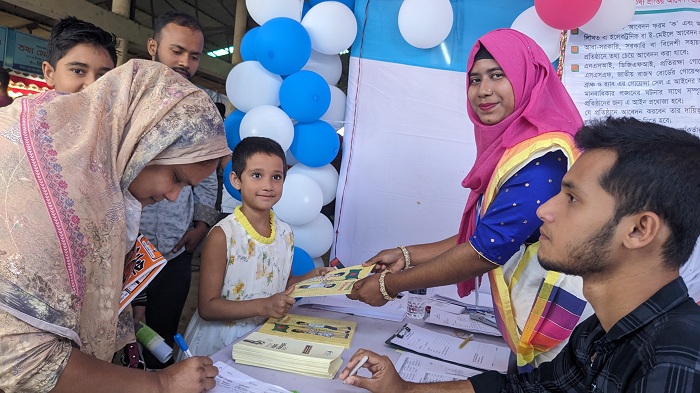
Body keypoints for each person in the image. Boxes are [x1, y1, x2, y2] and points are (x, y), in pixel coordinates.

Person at [340, 117, 700, 392]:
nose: (544, 210)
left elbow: (484, 249)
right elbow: (523, 388)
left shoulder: (675, 363)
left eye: (572, 199)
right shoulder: (600, 332)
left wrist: (392, 284)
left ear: (639, 230)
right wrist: (403, 388)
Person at [348, 28, 588, 367]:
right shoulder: (517, 146)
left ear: (526, 78)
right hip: (539, 327)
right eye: (475, 80)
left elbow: (485, 251)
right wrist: (407, 254)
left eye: (497, 75)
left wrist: (390, 285)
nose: (483, 90)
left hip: (562, 340)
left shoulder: (542, 157)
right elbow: (486, 235)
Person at [0, 59, 230, 392]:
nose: (172, 196)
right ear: (144, 141)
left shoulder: (102, 181)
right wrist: (161, 384)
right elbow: (21, 358)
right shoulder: (61, 192)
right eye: (176, 177)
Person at [179, 137, 333, 359]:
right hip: (222, 341)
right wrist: (264, 306)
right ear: (236, 179)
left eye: (277, 177)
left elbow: (282, 284)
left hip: (265, 335)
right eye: (257, 175)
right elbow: (208, 307)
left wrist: (311, 277)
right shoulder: (223, 235)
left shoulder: (285, 232)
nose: (267, 186)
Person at [136, 10, 218, 369]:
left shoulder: (200, 109)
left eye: (194, 55)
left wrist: (200, 226)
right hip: (126, 247)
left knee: (164, 334)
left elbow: (209, 172)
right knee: (122, 335)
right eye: (177, 51)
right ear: (153, 47)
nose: (185, 62)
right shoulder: (131, 102)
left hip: (175, 248)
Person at [42, 16, 117, 93]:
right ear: (49, 74)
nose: (92, 85)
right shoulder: (32, 104)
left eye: (103, 76)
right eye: (77, 71)